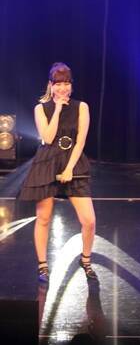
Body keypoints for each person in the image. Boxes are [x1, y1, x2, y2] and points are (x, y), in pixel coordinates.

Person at [19, 63, 97, 283]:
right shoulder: (40, 108)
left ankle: (86, 260)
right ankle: (43, 266)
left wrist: (70, 168)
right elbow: (48, 137)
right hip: (47, 162)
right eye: (58, 84)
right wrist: (58, 110)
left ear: (71, 85)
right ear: (51, 86)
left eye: (66, 83)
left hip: (73, 162)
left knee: (89, 220)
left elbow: (80, 141)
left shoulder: (82, 107)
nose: (63, 88)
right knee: (43, 218)